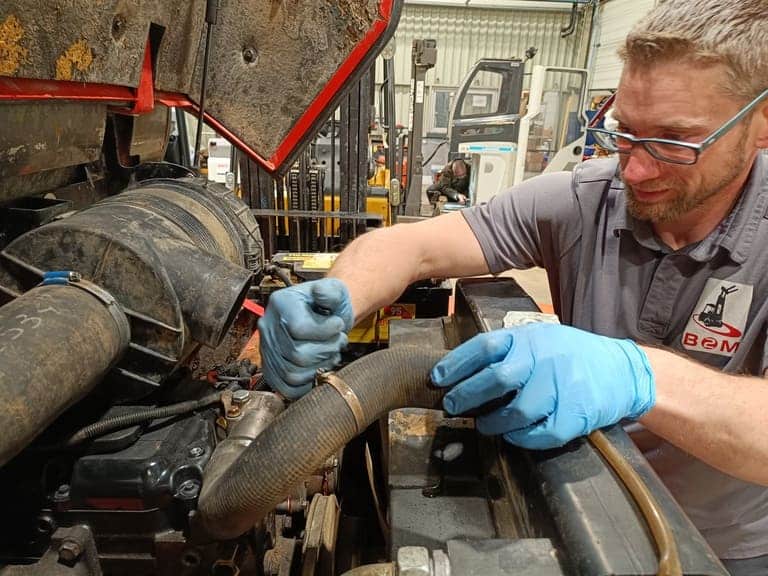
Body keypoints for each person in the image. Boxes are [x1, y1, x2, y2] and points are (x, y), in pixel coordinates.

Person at [258, 1, 768, 572]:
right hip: (577, 511)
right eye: (624, 133)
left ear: (761, 122)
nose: (636, 170)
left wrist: (639, 376)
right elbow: (412, 245)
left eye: (676, 141)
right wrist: (337, 297)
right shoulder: (586, 201)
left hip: (724, 552)